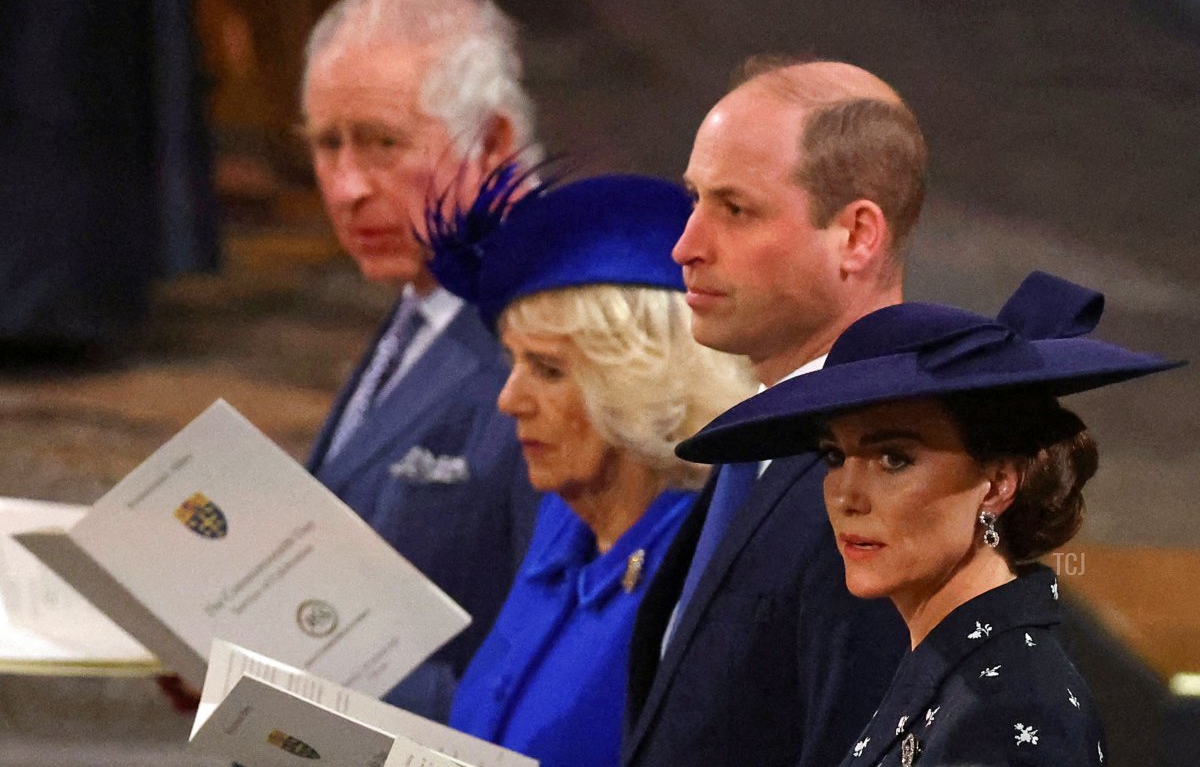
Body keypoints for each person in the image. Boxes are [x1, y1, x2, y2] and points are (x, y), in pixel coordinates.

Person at [676, 271, 1181, 766]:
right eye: (834, 456)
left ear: (999, 482)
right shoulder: (956, 665)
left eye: (894, 458)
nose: (846, 496)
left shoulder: (1006, 713)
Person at [623, 57, 924, 767]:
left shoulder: (886, 477)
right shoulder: (763, 434)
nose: (686, 246)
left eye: (735, 209)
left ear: (857, 236)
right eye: (694, 199)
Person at [421, 169, 754, 767]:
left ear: (641, 384)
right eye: (513, 363)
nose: (509, 400)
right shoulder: (563, 524)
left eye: (548, 370)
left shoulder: (698, 567)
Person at [300, 0, 541, 720]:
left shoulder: (554, 344)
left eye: (381, 143)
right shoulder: (420, 303)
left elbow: (549, 666)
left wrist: (292, 668)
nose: (346, 187)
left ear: (492, 141)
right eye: (326, 143)